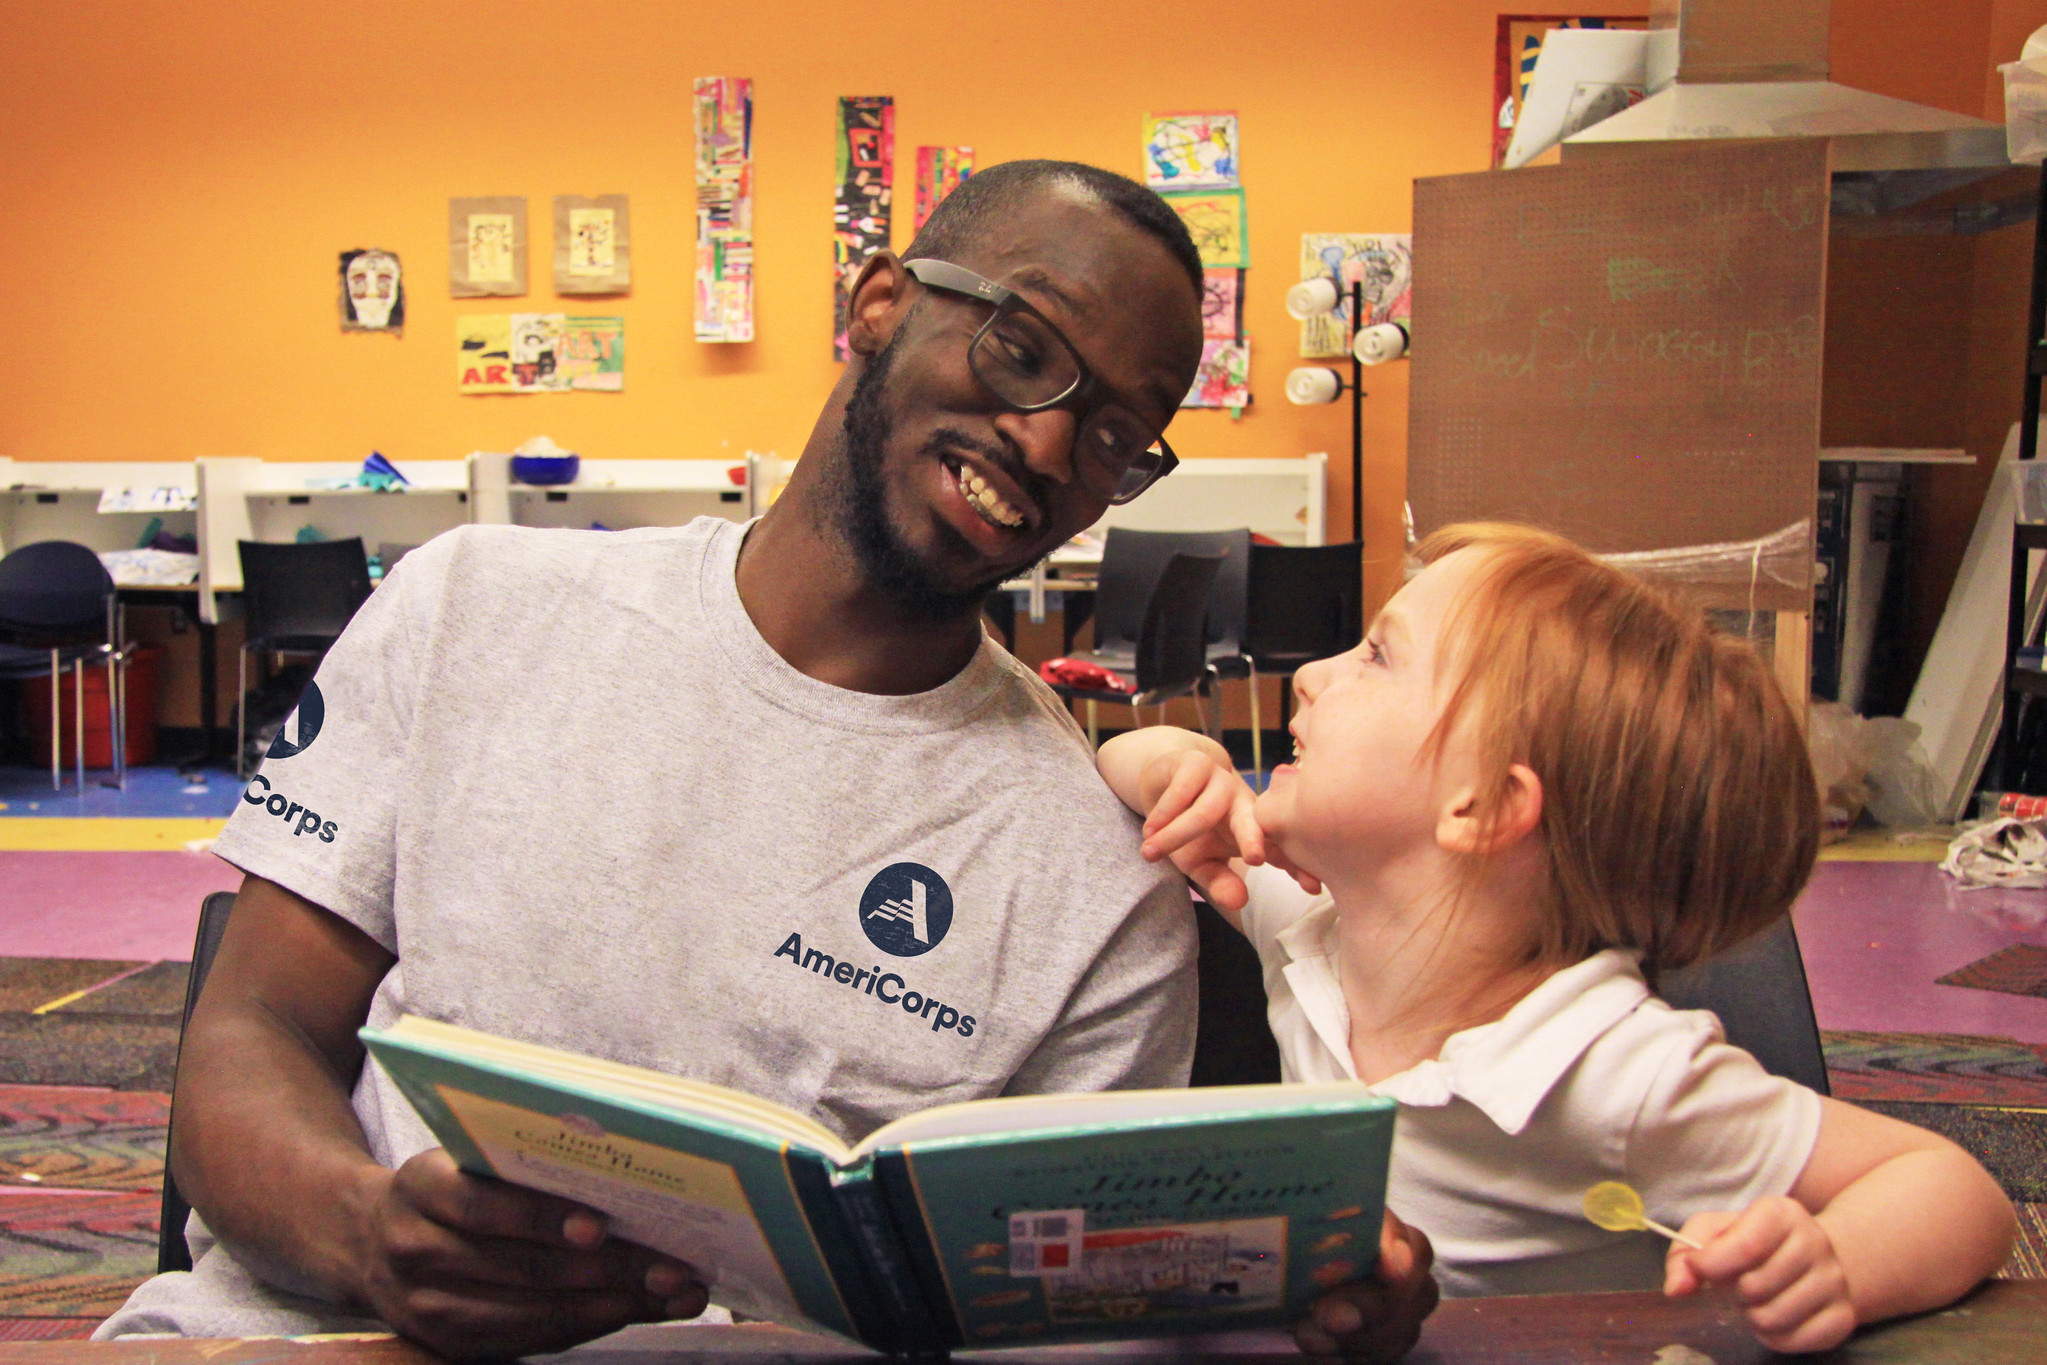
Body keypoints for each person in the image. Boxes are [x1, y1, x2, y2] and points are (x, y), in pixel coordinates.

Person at [100, 161, 1437, 1363]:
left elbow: (1059, 1306)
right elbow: (252, 1029)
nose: (1043, 444)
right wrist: (366, 1235)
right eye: (1021, 349)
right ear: (876, 306)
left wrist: (1274, 1296)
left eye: (1107, 437)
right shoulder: (470, 606)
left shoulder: (1100, 877)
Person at [1099, 522, 2017, 1355]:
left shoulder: (1611, 1068)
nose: (1311, 672)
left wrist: (1836, 1263)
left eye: (1376, 655)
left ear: (1486, 805)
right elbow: (1106, 763)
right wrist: (1178, 762)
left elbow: (1951, 1185)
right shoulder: (1311, 926)